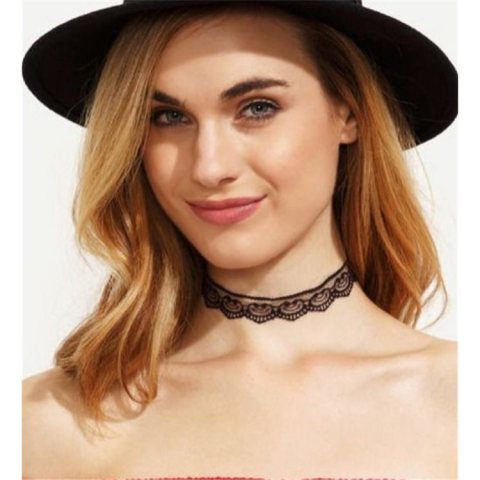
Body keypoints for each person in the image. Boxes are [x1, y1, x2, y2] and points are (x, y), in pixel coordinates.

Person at [22, 1, 457, 479]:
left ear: (348, 112)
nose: (209, 167)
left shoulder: (458, 402)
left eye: (257, 108)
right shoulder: (49, 422)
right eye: (168, 117)